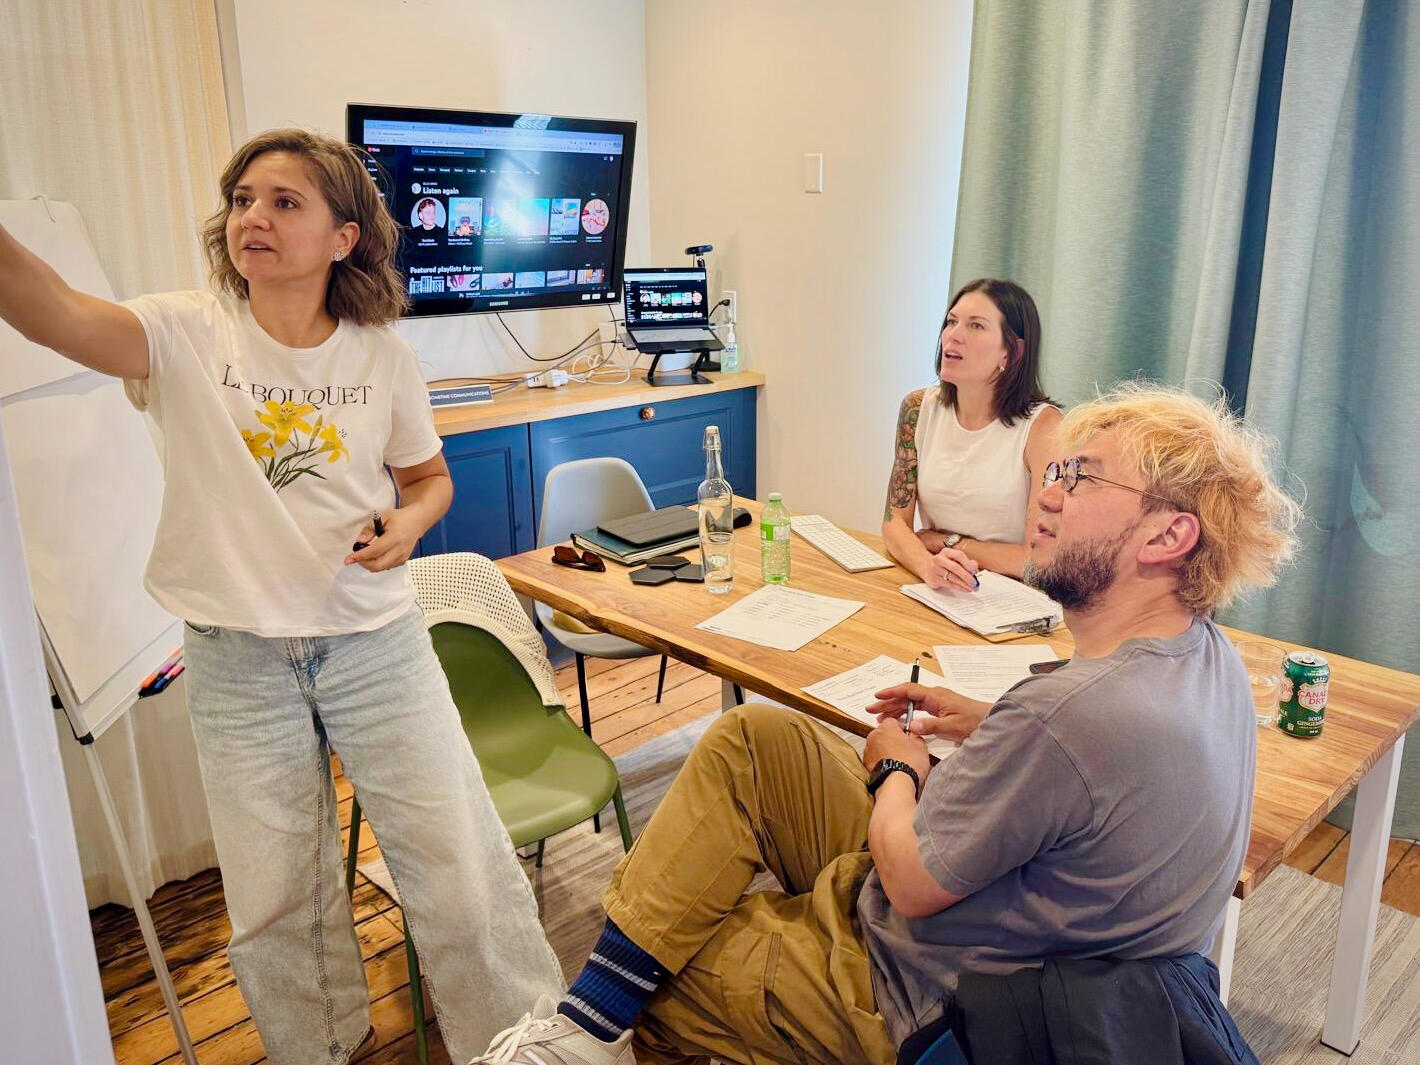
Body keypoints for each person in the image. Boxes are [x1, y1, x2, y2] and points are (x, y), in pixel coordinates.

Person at [473, 382, 1299, 1065]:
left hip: (931, 996)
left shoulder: (1070, 717)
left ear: (1167, 533)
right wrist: (984, 720)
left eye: (1079, 479)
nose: (1046, 493)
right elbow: (1093, 784)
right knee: (754, 741)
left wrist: (897, 766)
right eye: (1057, 471)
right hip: (1033, 953)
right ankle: (589, 1029)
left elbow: (907, 877)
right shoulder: (1206, 657)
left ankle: (595, 1024)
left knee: (669, 967)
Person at [0, 129, 563, 1065]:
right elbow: (51, 308)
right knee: (273, 902)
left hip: (376, 645)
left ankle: (520, 1041)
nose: (251, 218)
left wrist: (409, 525)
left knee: (460, 866)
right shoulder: (180, 330)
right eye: (243, 200)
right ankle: (319, 1049)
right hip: (236, 657)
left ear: (344, 237)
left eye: (284, 202)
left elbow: (429, 477)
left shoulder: (381, 354)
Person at [882, 278, 1061, 592]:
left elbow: (1037, 560)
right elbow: (894, 524)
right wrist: (929, 567)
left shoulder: (1045, 428)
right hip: (938, 587)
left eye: (976, 326)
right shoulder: (917, 407)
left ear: (1012, 351)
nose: (953, 335)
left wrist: (948, 543)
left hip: (1012, 597)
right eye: (951, 322)